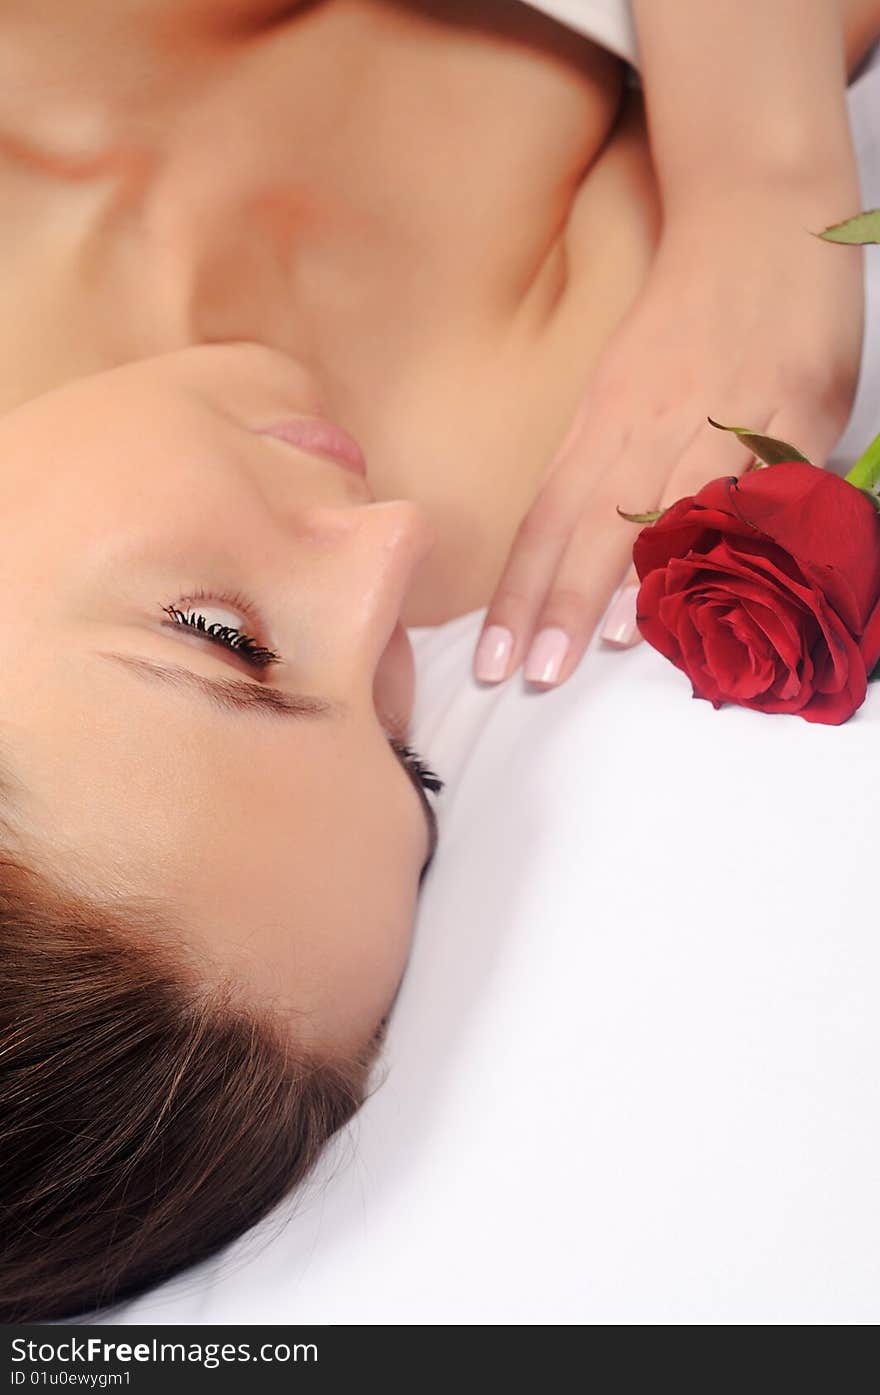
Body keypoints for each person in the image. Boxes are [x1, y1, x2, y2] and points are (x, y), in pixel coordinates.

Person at [0, 0, 878, 1322]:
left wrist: (757, 192)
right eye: (397, 755)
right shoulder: (555, 443)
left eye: (221, 638)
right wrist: (760, 182)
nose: (390, 553)